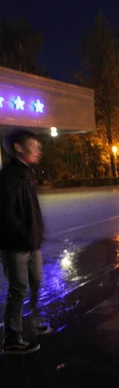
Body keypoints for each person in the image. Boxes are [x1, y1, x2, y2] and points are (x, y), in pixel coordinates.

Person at [0, 128, 51, 355]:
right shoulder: (9, 176)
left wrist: (36, 236)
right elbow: (6, 214)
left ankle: (32, 321)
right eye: (34, 144)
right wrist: (24, 236)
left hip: (31, 243)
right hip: (16, 245)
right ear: (18, 147)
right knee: (19, 288)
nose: (39, 149)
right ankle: (12, 338)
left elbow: (32, 211)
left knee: (36, 281)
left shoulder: (25, 173)